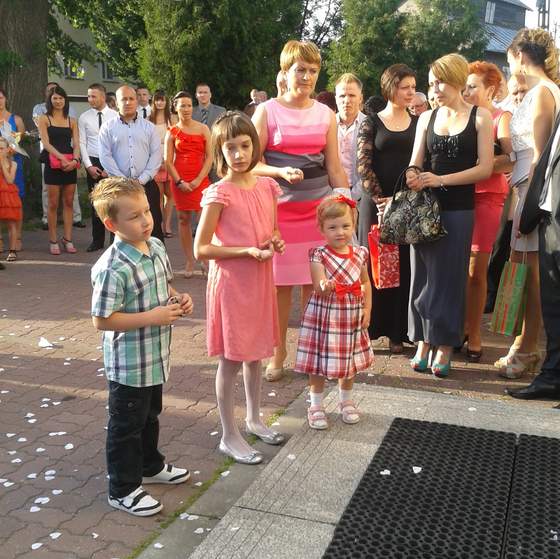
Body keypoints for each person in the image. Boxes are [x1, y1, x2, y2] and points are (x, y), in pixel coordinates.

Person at [90, 176, 193, 516]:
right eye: (134, 216)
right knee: (126, 427)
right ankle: (122, 488)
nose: (146, 220)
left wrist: (178, 298)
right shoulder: (112, 267)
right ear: (112, 224)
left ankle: (150, 465)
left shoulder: (156, 246)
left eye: (147, 211)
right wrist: (153, 316)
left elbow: (165, 285)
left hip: (155, 356)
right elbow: (102, 319)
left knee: (149, 416)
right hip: (129, 364)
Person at [252, 39, 350, 382]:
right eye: (300, 70)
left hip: (317, 215)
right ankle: (277, 354)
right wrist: (279, 172)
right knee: (279, 290)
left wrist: (345, 204)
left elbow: (334, 166)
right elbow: (251, 163)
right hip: (279, 215)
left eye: (313, 70)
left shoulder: (326, 114)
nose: (307, 76)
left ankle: (310, 355)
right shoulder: (267, 111)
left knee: (315, 287)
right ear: (285, 71)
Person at [193, 111, 286, 464]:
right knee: (231, 359)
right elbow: (202, 249)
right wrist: (245, 251)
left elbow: (271, 230)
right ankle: (229, 435)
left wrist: (275, 241)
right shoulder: (219, 193)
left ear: (254, 145)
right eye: (230, 148)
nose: (239, 154)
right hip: (232, 285)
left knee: (256, 353)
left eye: (245, 145)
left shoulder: (267, 186)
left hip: (260, 280)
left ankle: (253, 419)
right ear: (220, 151)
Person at [406, 53, 493, 377]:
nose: (434, 90)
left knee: (451, 277)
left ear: (456, 79)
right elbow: (415, 161)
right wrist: (413, 174)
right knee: (422, 275)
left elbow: (485, 169)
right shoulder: (426, 118)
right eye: (431, 84)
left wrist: (441, 179)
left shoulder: (480, 117)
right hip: (425, 209)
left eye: (439, 82)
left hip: (459, 208)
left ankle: (444, 344)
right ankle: (423, 340)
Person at [495, 28, 560, 379]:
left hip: (533, 192)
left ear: (520, 56)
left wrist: (527, 208)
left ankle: (528, 348)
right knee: (526, 272)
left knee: (533, 276)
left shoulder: (542, 92)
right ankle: (523, 344)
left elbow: (539, 155)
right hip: (525, 188)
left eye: (509, 60)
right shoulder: (545, 90)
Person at [294, 195, 373, 429]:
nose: (340, 232)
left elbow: (365, 282)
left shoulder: (360, 253)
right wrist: (324, 285)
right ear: (321, 229)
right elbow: (318, 282)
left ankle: (346, 401)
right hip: (325, 318)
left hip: (350, 317)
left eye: (345, 226)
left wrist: (367, 309)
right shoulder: (319, 254)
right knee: (318, 361)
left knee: (348, 360)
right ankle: (316, 405)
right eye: (333, 227)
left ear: (354, 225)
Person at [357, 64, 418, 354]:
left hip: (407, 204)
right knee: (374, 266)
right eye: (405, 87)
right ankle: (369, 327)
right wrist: (381, 200)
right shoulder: (371, 122)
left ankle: (397, 331)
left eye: (413, 87)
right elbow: (363, 165)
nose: (411, 92)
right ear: (390, 87)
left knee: (403, 267)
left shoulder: (419, 122)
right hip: (376, 205)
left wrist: (400, 200)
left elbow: (420, 163)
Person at [511, 84, 560, 401]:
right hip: (548, 209)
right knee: (551, 297)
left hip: (551, 209)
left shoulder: (546, 93)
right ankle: (552, 373)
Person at [461, 61, 513, 361]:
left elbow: (510, 158)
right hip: (456, 197)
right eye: (464, 87)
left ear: (490, 90)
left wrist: (479, 166)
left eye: (472, 86)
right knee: (456, 267)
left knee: (476, 270)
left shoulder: (500, 117)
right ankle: (458, 326)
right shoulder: (460, 116)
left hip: (487, 198)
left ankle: (474, 330)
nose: (466, 92)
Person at [99, 85, 164, 241]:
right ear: (116, 102)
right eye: (124, 99)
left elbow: (156, 155)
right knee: (120, 230)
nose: (128, 102)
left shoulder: (149, 128)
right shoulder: (107, 128)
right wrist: (124, 181)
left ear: (136, 101)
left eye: (131, 99)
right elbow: (105, 156)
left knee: (153, 228)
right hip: (119, 187)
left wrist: (141, 179)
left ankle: (154, 257)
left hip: (146, 185)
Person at [165, 91, 211, 278]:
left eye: (189, 105)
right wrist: (179, 182)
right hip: (179, 180)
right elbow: (167, 161)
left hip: (200, 179)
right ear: (175, 108)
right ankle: (190, 260)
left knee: (204, 218)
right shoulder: (172, 132)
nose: (186, 109)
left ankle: (205, 257)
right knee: (183, 219)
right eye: (182, 105)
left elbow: (210, 157)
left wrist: (198, 180)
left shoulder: (203, 128)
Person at [33, 82, 83, 230]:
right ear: (48, 96)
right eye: (53, 95)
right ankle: (47, 222)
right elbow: (45, 140)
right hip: (50, 156)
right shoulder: (39, 111)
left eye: (60, 97)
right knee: (49, 193)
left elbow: (76, 140)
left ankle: (75, 221)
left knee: (70, 196)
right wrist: (61, 157)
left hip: (69, 157)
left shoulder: (71, 114)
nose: (58, 100)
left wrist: (74, 160)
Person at [79, 83, 119, 252]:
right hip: (93, 160)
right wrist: (88, 166)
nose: (90, 99)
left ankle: (115, 240)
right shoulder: (84, 117)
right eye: (89, 96)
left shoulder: (115, 116)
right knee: (96, 202)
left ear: (103, 97)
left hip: (112, 161)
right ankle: (97, 240)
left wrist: (110, 167)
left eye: (93, 96)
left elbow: (118, 143)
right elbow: (82, 142)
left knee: (113, 201)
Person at [335, 74, 367, 203]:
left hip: (362, 198)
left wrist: (352, 196)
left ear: (360, 98)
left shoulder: (370, 125)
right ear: (336, 98)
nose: (346, 100)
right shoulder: (326, 125)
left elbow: (370, 168)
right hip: (330, 195)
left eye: (352, 95)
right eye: (342, 96)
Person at [149, 90, 176, 238]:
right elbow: (147, 144)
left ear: (167, 102)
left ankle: (167, 225)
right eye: (157, 100)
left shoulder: (173, 119)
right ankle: (158, 224)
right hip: (155, 161)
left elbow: (177, 142)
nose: (160, 102)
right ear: (153, 102)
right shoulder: (148, 119)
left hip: (171, 160)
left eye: (162, 100)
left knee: (170, 195)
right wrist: (157, 161)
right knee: (158, 196)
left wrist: (169, 160)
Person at [0, 88, 25, 252]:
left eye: (0, 98)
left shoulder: (16, 119)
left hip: (13, 164)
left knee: (16, 201)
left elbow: (20, 142)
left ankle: (18, 238)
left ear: (6, 99)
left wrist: (11, 150)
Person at [0, 137, 22, 262]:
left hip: (8, 196)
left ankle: (12, 250)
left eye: (1, 148)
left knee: (11, 223)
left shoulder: (13, 164)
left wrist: (3, 164)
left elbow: (9, 180)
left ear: (8, 149)